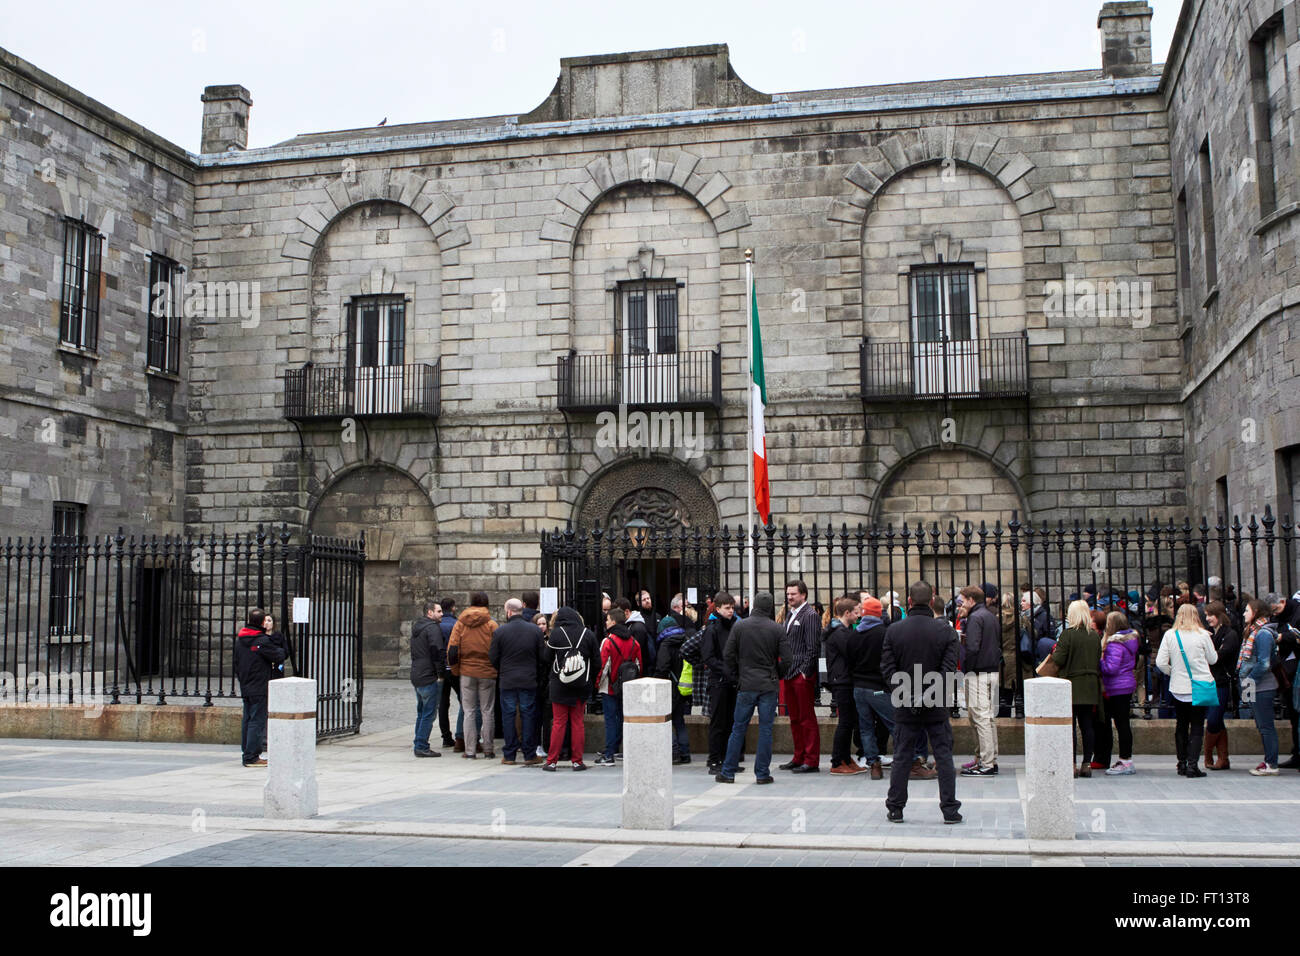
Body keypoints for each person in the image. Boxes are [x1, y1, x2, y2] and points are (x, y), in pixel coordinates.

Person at [881, 581, 961, 824]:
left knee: (902, 756)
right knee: (943, 756)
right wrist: (928, 696)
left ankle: (896, 807)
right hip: (936, 701)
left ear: (909, 602)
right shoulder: (946, 631)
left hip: (905, 701)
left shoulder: (894, 631)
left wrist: (905, 694)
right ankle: (949, 809)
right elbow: (948, 671)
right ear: (932, 599)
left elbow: (887, 668)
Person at [715, 592, 791, 784]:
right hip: (768, 683)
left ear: (754, 605)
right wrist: (777, 674)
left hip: (746, 684)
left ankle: (728, 772)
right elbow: (788, 659)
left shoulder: (740, 626)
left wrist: (737, 676)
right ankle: (762, 773)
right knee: (766, 730)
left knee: (738, 728)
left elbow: (728, 655)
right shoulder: (777, 629)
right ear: (770, 607)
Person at [1155, 602, 1218, 777]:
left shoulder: (1170, 635)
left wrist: (1173, 672)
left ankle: (1181, 763)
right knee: (1197, 726)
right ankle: (1192, 765)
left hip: (1178, 687)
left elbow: (1160, 662)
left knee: (1181, 725)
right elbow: (1213, 660)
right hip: (1199, 686)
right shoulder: (1203, 635)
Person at [683, 592, 741, 774]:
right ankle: (714, 759)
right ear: (718, 609)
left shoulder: (735, 627)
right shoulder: (711, 629)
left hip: (732, 680)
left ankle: (726, 758)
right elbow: (708, 656)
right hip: (718, 681)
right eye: (727, 608)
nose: (730, 611)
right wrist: (725, 670)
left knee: (731, 721)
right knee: (718, 723)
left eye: (732, 608)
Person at [1051, 599, 1102, 778]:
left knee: (1069, 727)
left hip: (1071, 684)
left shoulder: (1068, 634)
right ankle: (1087, 763)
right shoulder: (1094, 635)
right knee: (1087, 725)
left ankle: (1071, 764)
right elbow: (1098, 658)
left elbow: (1058, 659)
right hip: (1089, 685)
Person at [490, 598, 545, 766]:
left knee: (508, 716)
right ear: (522, 610)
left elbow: (493, 657)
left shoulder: (500, 632)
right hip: (528, 679)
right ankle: (529, 753)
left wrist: (503, 668)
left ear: (508, 612)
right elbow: (542, 656)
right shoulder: (534, 631)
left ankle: (509, 754)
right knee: (528, 715)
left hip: (507, 680)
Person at [542, 606, 596, 771]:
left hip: (559, 683)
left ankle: (552, 761)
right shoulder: (588, 634)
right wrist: (587, 678)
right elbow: (597, 663)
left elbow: (546, 658)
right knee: (577, 722)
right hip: (581, 684)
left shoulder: (557, 634)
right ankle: (577, 761)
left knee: (559, 722)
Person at [447, 591, 498, 759]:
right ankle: (489, 748)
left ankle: (470, 751)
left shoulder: (461, 623)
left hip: (467, 671)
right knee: (487, 710)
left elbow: (453, 650)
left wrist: (456, 670)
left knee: (469, 711)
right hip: (487, 671)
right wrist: (495, 669)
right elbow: (497, 650)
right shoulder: (491, 624)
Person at [779, 580, 822, 773]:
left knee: (806, 718)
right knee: (794, 718)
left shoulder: (810, 615)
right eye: (788, 594)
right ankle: (798, 756)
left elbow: (813, 647)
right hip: (789, 672)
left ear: (803, 595)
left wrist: (805, 672)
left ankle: (811, 759)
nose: (789, 597)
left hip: (801, 675)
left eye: (793, 594)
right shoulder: (790, 614)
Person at [234, 608, 285, 767]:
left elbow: (236, 662)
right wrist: (280, 648)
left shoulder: (241, 640)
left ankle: (247, 753)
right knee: (257, 720)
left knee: (248, 719)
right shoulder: (262, 640)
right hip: (260, 685)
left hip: (246, 683)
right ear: (263, 622)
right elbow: (279, 655)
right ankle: (252, 756)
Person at [958, 585, 1000, 776]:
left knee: (979, 718)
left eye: (962, 600)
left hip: (978, 673)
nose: (961, 603)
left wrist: (967, 669)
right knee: (988, 717)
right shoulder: (990, 615)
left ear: (971, 600)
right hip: (992, 670)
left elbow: (972, 648)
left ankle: (986, 762)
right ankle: (988, 758)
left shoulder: (975, 618)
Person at [1237, 598, 1281, 775]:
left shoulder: (1262, 634)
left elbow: (1264, 663)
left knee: (1266, 726)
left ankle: (1271, 764)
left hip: (1262, 686)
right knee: (1262, 725)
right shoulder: (1255, 631)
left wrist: (1249, 681)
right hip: (1256, 685)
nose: (1244, 614)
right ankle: (1269, 761)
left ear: (1255, 612)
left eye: (1247, 610)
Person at [594, 606, 641, 766]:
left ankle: (609, 754)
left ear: (613, 621)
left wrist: (596, 684)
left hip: (610, 686)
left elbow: (603, 666)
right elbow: (638, 666)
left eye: (607, 620)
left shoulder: (608, 641)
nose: (606, 623)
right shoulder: (635, 642)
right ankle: (623, 749)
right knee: (623, 719)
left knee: (610, 720)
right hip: (627, 687)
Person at [823, 595, 865, 775]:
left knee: (849, 721)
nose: (859, 616)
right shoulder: (840, 633)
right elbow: (853, 654)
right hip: (843, 681)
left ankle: (846, 758)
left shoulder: (842, 631)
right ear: (846, 613)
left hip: (845, 680)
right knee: (845, 722)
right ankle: (838, 760)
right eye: (856, 613)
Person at [654, 594, 696, 764]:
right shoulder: (685, 640)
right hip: (683, 686)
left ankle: (674, 752)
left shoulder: (666, 644)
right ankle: (685, 753)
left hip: (669, 687)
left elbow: (662, 668)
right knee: (680, 721)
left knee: (667, 720)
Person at [1096, 610, 1139, 774]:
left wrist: (1099, 661)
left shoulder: (1115, 644)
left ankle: (1125, 761)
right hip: (1126, 683)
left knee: (1121, 724)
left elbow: (1111, 668)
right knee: (1123, 724)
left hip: (1117, 686)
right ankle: (1126, 759)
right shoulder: (1130, 640)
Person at [1203, 600, 1239, 770]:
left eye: (1210, 615)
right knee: (1217, 720)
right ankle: (1223, 759)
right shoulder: (1211, 633)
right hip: (1212, 681)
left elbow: (1218, 656)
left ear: (1219, 616)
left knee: (1213, 720)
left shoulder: (1230, 634)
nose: (1207, 618)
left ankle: (1208, 754)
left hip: (1223, 682)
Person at [1268, 591, 1300, 768]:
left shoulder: (1297, 612)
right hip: (1287, 669)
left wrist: (1282, 637)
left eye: (1276, 609)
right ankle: (1297, 753)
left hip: (1295, 667)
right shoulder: (1279, 617)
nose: (1275, 613)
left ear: (1282, 601)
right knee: (1293, 714)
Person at [409, 600, 444, 758]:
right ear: (429, 613)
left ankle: (418, 742)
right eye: (439, 611)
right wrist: (441, 674)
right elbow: (437, 651)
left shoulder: (417, 628)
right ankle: (421, 745)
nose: (441, 614)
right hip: (428, 674)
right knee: (429, 713)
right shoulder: (432, 628)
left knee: (422, 711)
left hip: (417, 673)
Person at [437, 596, 462, 750]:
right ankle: (461, 735)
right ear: (453, 607)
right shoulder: (457, 624)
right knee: (464, 701)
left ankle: (446, 737)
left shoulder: (436, 625)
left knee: (443, 704)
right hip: (454, 668)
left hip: (440, 670)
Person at [261, 613, 290, 680]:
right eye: (265, 621)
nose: (266, 623)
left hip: (277, 668)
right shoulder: (260, 637)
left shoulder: (279, 635)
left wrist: (279, 654)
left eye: (269, 621)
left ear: (273, 623)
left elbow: (286, 652)